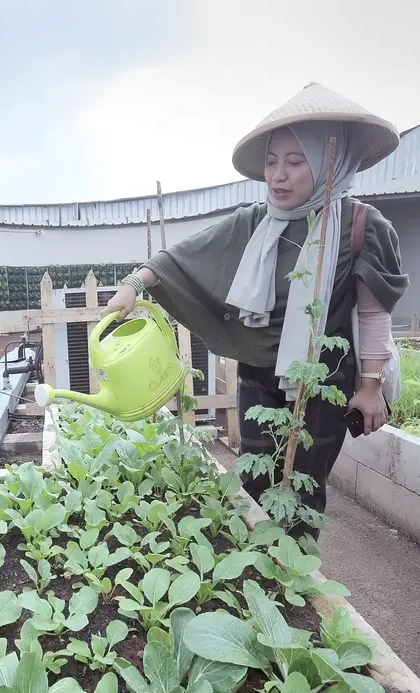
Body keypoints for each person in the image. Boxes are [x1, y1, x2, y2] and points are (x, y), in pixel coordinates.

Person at [105, 83, 409, 535]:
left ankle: (296, 580)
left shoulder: (360, 225)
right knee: (253, 482)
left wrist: (369, 388)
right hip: (256, 376)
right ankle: (260, 578)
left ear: (331, 162)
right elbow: (182, 258)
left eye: (295, 161)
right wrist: (133, 283)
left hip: (323, 384)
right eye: (272, 161)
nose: (277, 176)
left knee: (303, 494)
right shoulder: (254, 223)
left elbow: (372, 315)